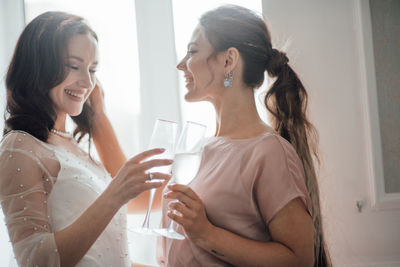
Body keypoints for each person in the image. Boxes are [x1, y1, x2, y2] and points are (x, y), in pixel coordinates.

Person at [158, 5, 330, 267]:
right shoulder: (196, 149)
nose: (181, 64)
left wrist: (207, 234)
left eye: (192, 51)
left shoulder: (269, 152)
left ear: (229, 60)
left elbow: (300, 260)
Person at [0, 11, 172, 267]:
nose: (87, 82)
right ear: (39, 65)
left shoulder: (74, 148)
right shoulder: (19, 147)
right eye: (74, 65)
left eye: (93, 69)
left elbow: (105, 253)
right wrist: (115, 194)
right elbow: (35, 260)